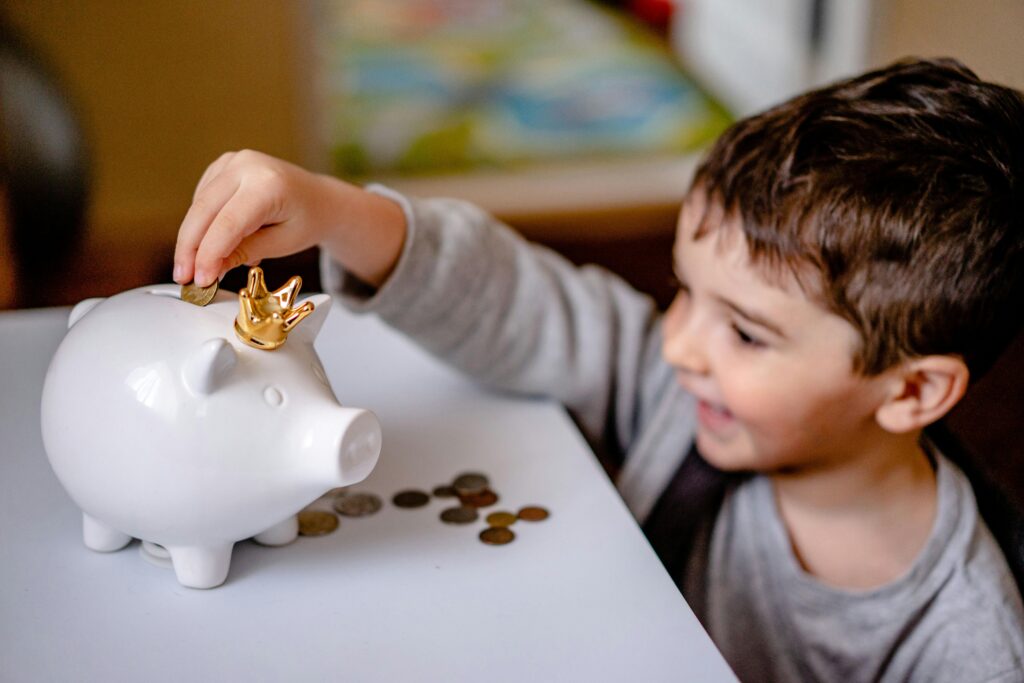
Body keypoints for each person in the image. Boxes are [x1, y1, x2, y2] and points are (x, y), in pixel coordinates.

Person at [173, 58, 1024, 681]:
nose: (678, 344)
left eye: (748, 335)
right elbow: (518, 300)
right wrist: (335, 211)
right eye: (683, 291)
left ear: (911, 390)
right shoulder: (686, 395)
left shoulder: (969, 641)